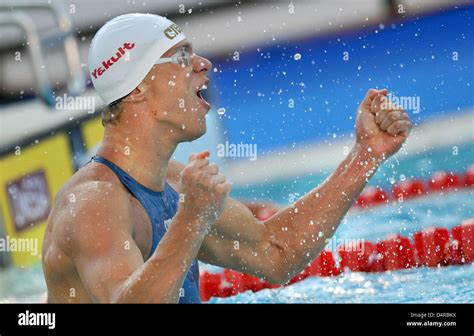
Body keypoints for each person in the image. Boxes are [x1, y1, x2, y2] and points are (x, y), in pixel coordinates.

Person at [42, 13, 412, 303]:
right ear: (137, 88)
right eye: (182, 57)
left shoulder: (169, 182)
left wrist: (364, 155)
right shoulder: (92, 204)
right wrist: (190, 221)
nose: (203, 64)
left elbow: (276, 253)